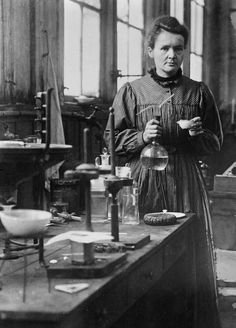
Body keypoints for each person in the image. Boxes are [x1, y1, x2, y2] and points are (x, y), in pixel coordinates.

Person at [104, 15, 223, 328]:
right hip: (145, 179)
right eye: (165, 48)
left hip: (186, 181)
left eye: (179, 48)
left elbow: (216, 143)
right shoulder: (130, 92)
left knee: (187, 257)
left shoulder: (198, 93)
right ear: (150, 51)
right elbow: (111, 142)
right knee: (143, 254)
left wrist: (198, 136)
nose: (172, 55)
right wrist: (142, 136)